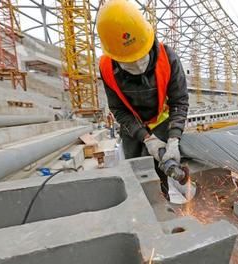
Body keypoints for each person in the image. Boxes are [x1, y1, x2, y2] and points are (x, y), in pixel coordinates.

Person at [96, 0, 189, 200]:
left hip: (161, 121)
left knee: (158, 172)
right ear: (114, 56)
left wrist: (173, 138)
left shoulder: (168, 58)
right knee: (136, 172)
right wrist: (147, 138)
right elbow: (119, 110)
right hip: (133, 126)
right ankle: (141, 209)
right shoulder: (106, 68)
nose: (137, 64)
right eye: (128, 61)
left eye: (141, 56)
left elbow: (179, 101)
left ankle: (162, 205)